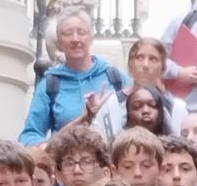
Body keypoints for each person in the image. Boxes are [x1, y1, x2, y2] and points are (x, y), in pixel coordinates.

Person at [20, 10, 126, 145]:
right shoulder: (50, 84)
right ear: (59, 42)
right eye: (68, 33)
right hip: (67, 158)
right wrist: (49, 147)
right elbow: (29, 136)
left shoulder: (115, 77)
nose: (75, 39)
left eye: (81, 32)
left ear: (91, 38)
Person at [94, 37, 187, 141]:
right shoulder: (110, 104)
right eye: (139, 58)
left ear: (163, 69)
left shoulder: (176, 109)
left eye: (153, 59)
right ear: (130, 65)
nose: (145, 65)